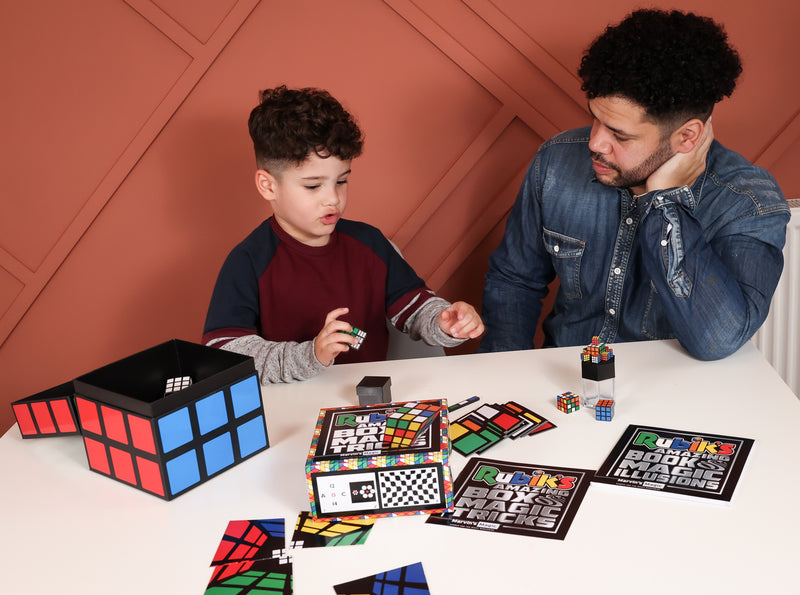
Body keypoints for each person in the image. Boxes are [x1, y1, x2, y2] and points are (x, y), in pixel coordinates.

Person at [479, 9, 789, 361]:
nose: (595, 143)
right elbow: (514, 281)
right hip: (566, 384)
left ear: (687, 137)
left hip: (677, 401)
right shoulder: (555, 161)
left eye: (620, 136)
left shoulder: (747, 202)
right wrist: (507, 378)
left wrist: (665, 202)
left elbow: (717, 340)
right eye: (594, 119)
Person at [203, 85, 483, 383]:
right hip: (286, 409)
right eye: (313, 186)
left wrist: (445, 323)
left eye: (342, 181)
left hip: (367, 403)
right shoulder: (248, 261)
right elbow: (227, 354)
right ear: (268, 186)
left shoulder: (370, 243)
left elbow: (415, 310)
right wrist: (310, 356)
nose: (332, 199)